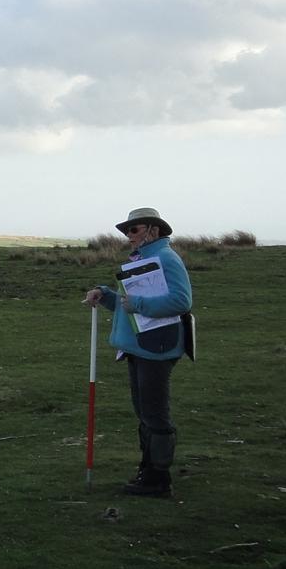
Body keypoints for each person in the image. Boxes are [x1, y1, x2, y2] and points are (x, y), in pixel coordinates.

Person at [81, 208, 192, 497]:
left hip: (158, 347)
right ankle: (148, 469)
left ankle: (158, 479)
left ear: (153, 230)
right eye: (126, 231)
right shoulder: (143, 259)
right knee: (144, 411)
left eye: (134, 230)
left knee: (154, 413)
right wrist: (105, 294)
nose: (128, 236)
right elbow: (131, 303)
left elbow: (181, 300)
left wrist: (139, 304)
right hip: (141, 345)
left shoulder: (166, 258)